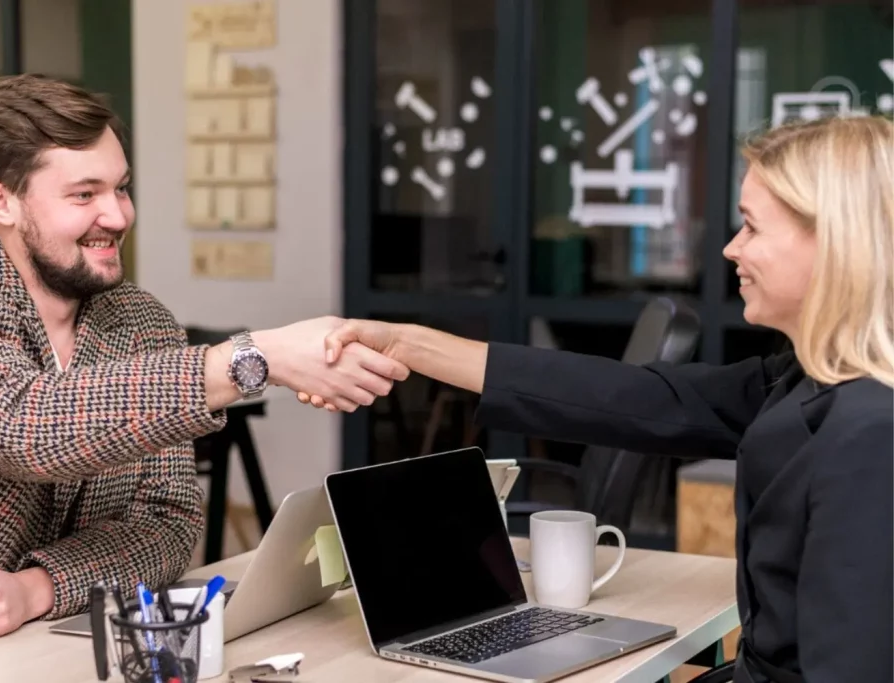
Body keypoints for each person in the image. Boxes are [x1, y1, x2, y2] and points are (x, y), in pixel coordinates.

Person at [306, 115, 894, 683]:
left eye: (752, 227)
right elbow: (635, 395)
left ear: (836, 242)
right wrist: (407, 343)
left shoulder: (870, 429)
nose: (730, 249)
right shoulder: (805, 379)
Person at [0, 74, 406, 668]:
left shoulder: (141, 321)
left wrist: (35, 589)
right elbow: (21, 426)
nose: (119, 214)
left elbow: (169, 523)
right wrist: (255, 360)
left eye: (121, 188)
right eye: (84, 195)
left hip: (56, 645)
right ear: (3, 202)